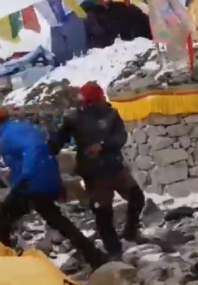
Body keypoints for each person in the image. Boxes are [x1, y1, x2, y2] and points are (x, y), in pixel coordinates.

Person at [0, 109, 106, 269]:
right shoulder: (20, 128)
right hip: (41, 181)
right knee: (59, 221)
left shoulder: (10, 134)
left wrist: (27, 175)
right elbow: (44, 151)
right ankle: (95, 257)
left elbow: (32, 148)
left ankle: (6, 267)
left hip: (31, 184)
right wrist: (55, 181)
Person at [49, 82, 148, 260]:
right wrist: (50, 144)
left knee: (137, 198)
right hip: (93, 173)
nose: (86, 104)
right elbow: (58, 141)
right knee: (103, 212)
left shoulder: (111, 113)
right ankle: (113, 249)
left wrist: (103, 146)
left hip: (116, 167)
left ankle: (131, 232)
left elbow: (121, 137)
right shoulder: (73, 118)